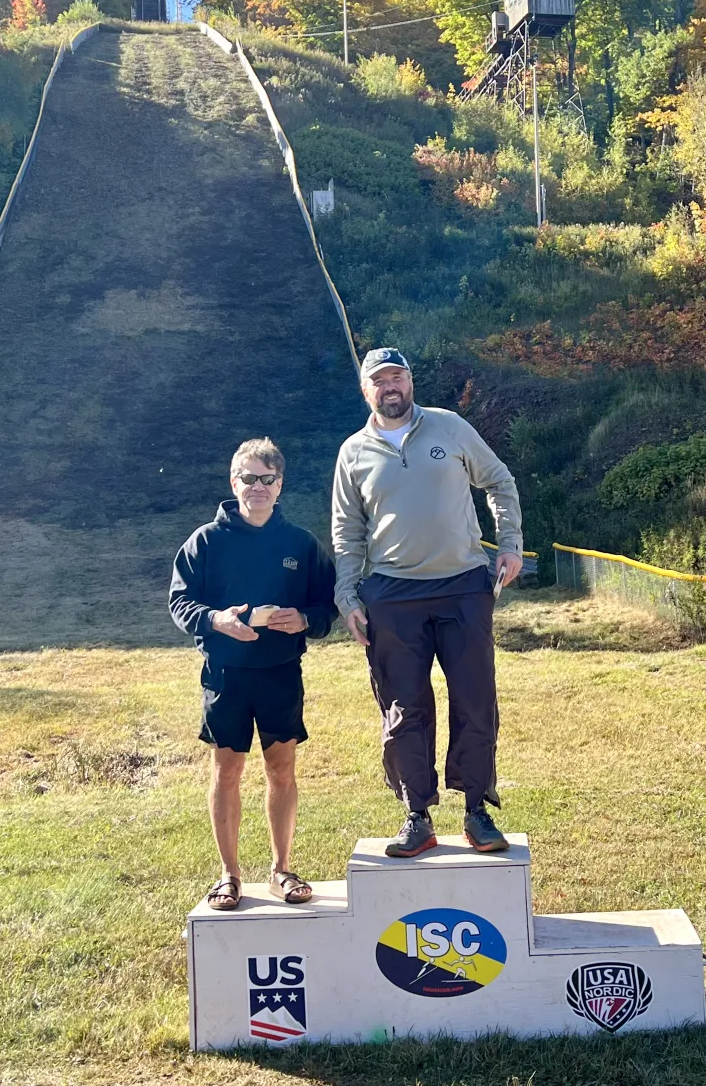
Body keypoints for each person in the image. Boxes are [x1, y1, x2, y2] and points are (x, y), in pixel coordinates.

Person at [332, 347, 524, 858]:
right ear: (366, 390)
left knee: (475, 699)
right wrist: (347, 593)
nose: (390, 386)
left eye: (397, 376)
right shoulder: (353, 452)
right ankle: (416, 814)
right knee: (403, 707)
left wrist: (509, 546)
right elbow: (347, 531)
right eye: (379, 380)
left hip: (463, 585)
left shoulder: (450, 427)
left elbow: (499, 482)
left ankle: (477, 810)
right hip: (392, 596)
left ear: (410, 381)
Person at [170, 438, 337, 909]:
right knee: (227, 773)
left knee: (281, 771)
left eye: (267, 479)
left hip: (281, 673)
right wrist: (216, 620)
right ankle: (229, 875)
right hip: (225, 676)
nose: (257, 487)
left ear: (279, 485)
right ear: (233, 482)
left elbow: (329, 603)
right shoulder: (205, 541)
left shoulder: (300, 544)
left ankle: (282, 869)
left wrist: (305, 618)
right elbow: (179, 602)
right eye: (249, 478)